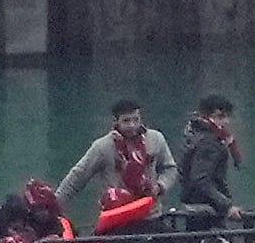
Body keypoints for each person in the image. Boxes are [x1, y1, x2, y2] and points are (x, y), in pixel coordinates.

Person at [52, 99, 175, 231]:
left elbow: (170, 168)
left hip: (151, 215)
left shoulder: (155, 139)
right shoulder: (103, 147)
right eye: (126, 121)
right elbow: (77, 177)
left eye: (136, 119)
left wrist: (160, 186)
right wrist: (53, 206)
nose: (132, 125)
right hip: (118, 220)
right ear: (116, 122)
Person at [175, 93, 245, 229]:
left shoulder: (195, 134)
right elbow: (201, 180)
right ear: (207, 116)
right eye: (220, 117)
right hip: (206, 208)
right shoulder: (209, 142)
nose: (225, 122)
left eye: (226, 116)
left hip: (195, 205)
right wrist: (227, 205)